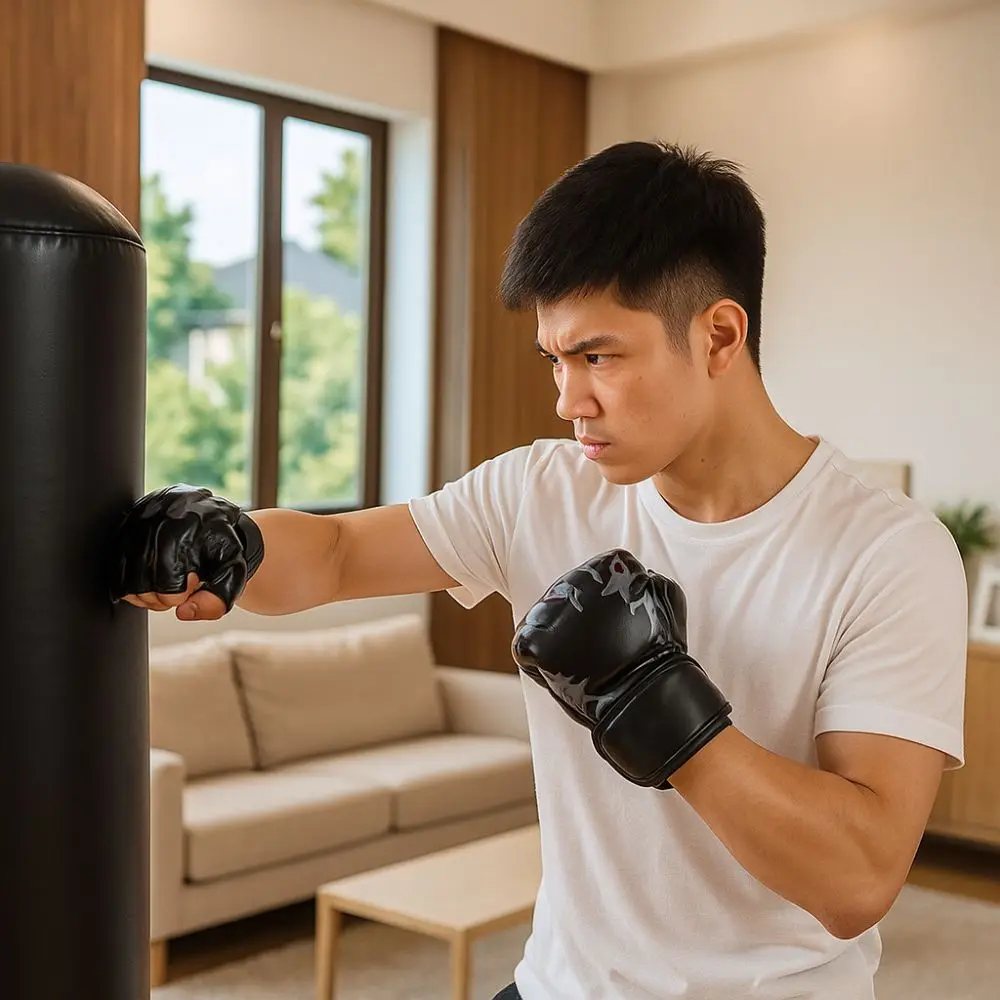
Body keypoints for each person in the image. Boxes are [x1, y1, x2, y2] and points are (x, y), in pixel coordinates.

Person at [113, 140, 969, 1000]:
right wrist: (235, 544)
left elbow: (858, 879)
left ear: (718, 335)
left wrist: (655, 700)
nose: (569, 402)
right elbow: (337, 555)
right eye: (555, 361)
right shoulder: (540, 488)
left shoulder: (887, 552)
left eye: (599, 357)